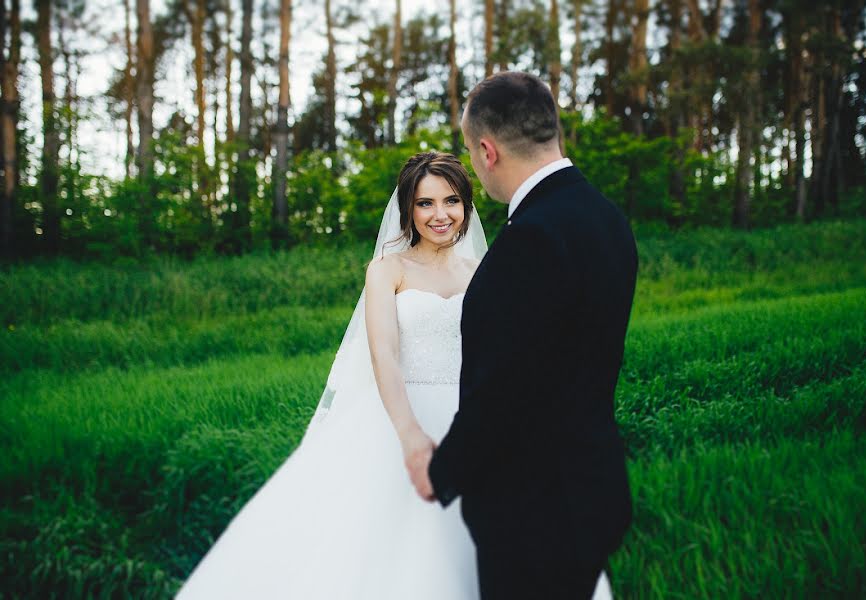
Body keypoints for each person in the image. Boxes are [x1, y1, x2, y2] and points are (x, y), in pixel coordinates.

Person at [176, 152, 484, 599]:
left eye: (451, 201)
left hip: (467, 417)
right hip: (399, 416)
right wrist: (410, 433)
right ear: (408, 209)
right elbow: (384, 354)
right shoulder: (387, 271)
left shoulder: (481, 272)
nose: (440, 215)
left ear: (467, 205)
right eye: (425, 203)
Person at [415, 71, 638, 599]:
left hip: (535, 516)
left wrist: (440, 473)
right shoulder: (607, 219)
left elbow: (503, 391)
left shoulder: (530, 240)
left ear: (488, 151)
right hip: (591, 489)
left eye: (470, 152)